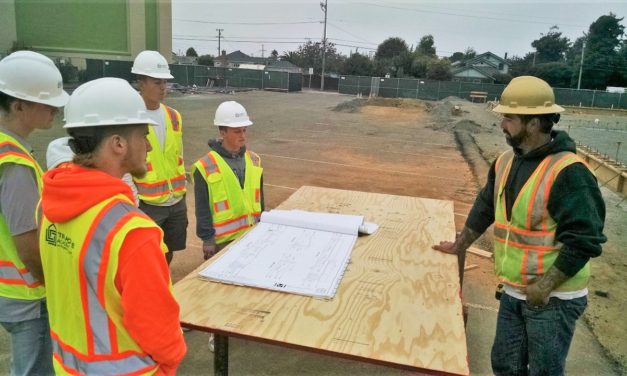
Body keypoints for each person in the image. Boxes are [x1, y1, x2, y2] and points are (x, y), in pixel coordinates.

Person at [433, 76, 606, 375]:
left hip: (552, 298)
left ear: (534, 123)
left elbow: (585, 239)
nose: (501, 125)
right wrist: (460, 244)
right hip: (516, 288)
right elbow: (486, 205)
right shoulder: (506, 161)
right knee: (506, 365)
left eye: (509, 118)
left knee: (544, 372)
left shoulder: (570, 173)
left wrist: (545, 286)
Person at [38, 77, 187, 375]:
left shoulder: (47, 205)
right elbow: (158, 329)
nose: (147, 145)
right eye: (143, 135)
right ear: (118, 143)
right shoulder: (132, 231)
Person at [0, 50, 69, 376]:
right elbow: (27, 241)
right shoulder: (13, 162)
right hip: (27, 293)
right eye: (46, 103)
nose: (55, 108)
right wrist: (54, 285)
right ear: (17, 106)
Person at [131, 50, 187, 264]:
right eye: (157, 82)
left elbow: (178, 153)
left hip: (175, 198)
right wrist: (134, 200)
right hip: (147, 202)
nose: (163, 87)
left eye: (165, 82)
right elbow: (123, 163)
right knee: (146, 255)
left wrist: (180, 195)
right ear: (141, 83)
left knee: (169, 251)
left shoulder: (174, 116)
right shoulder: (131, 116)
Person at [192, 101, 264, 261]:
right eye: (237, 131)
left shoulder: (254, 160)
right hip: (223, 242)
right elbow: (202, 208)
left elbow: (260, 199)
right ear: (222, 133)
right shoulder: (205, 166)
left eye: (245, 130)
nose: (243, 136)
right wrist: (208, 240)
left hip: (252, 233)